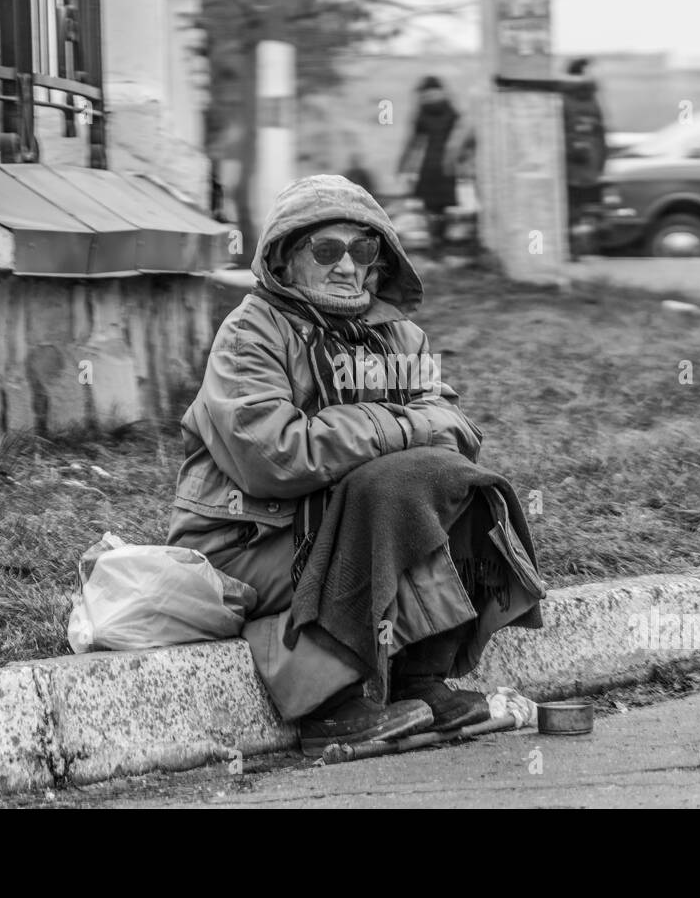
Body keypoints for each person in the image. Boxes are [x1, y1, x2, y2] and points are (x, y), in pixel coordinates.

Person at [166, 174, 544, 755]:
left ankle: (421, 680)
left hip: (350, 520)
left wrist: (413, 433)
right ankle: (330, 705)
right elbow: (275, 455)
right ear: (285, 261)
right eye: (326, 249)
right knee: (390, 481)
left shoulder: (400, 337)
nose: (347, 266)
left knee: (452, 481)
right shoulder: (251, 332)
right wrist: (401, 426)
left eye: (362, 250)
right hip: (248, 538)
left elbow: (455, 429)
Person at [397, 76, 465, 250]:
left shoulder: (422, 114)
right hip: (447, 166)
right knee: (444, 206)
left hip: (428, 165)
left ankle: (435, 238)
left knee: (430, 206)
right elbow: (461, 139)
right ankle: (441, 238)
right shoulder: (451, 111)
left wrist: (403, 164)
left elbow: (412, 143)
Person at [562, 58, 608, 257]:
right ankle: (583, 248)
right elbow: (601, 133)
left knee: (569, 208)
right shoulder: (592, 99)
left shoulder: (561, 98)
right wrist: (601, 161)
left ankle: (571, 249)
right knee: (585, 210)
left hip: (569, 164)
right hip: (591, 162)